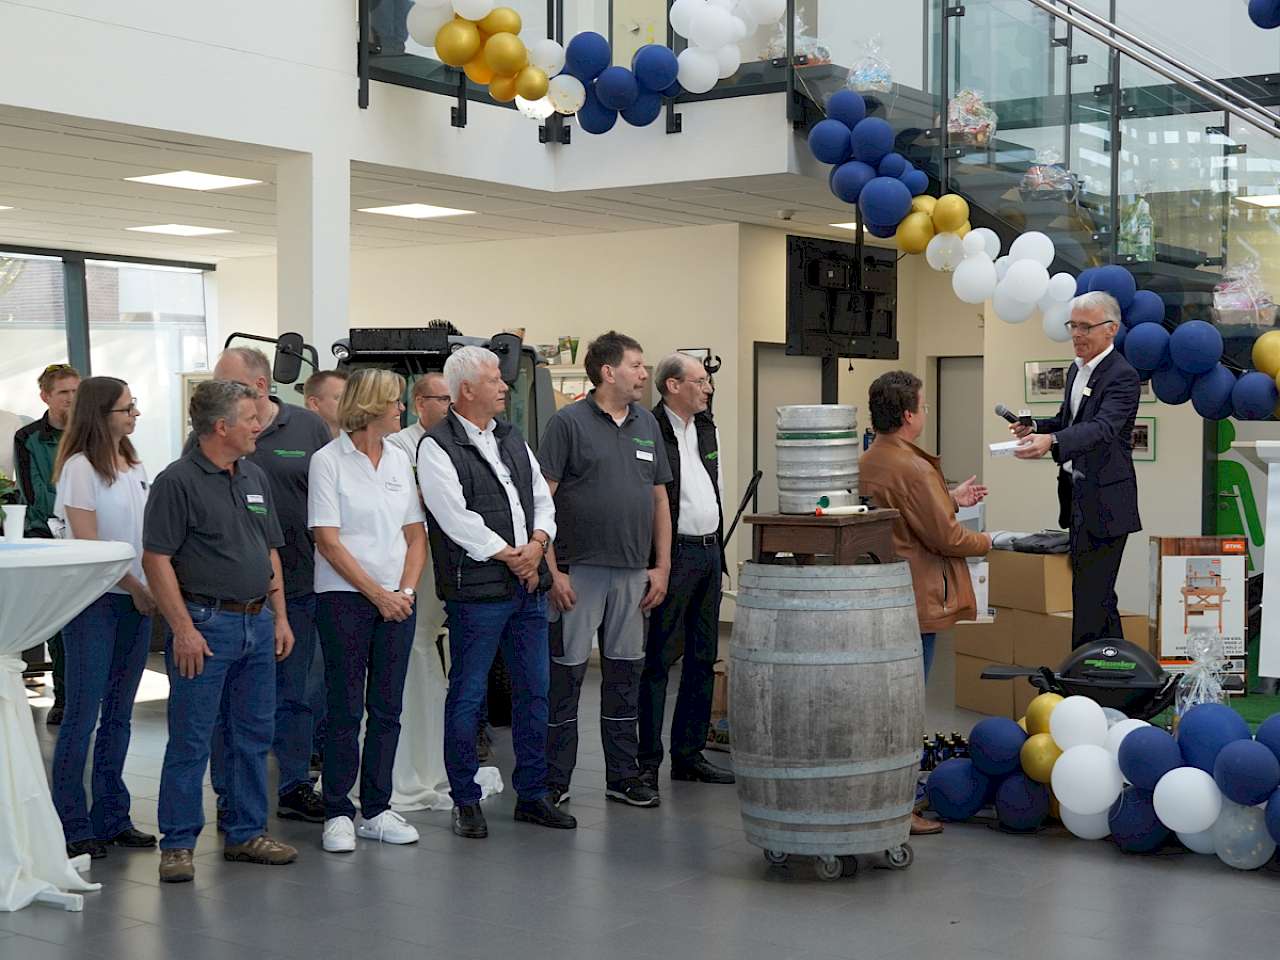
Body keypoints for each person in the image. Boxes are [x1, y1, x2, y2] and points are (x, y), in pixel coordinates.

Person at [143, 380, 298, 884]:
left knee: (252, 737)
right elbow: (156, 559)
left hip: (257, 622)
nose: (259, 426)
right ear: (221, 426)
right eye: (250, 419)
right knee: (191, 739)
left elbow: (269, 550)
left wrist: (279, 616)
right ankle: (178, 843)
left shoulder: (254, 474)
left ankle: (246, 832)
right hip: (206, 626)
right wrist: (182, 630)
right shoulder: (177, 482)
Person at [418, 347, 576, 839]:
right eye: (494, 380)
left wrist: (537, 545)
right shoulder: (436, 446)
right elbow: (455, 518)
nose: (504, 386)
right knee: (468, 695)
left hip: (527, 587)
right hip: (477, 592)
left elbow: (541, 499)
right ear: (466, 390)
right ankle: (465, 799)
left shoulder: (511, 436)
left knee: (535, 692)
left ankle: (533, 794)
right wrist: (513, 555)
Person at [539, 331, 672, 809]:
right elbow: (542, 502)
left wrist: (662, 567)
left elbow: (659, 500)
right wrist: (552, 572)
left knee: (624, 679)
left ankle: (623, 777)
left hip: (633, 573)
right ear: (608, 371)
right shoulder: (567, 424)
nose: (644, 374)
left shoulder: (646, 423)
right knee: (566, 679)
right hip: (578, 572)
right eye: (636, 365)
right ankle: (554, 780)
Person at [203, 347, 332, 825]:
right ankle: (230, 796)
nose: (219, 391)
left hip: (298, 584)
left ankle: (295, 785)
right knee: (232, 703)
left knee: (296, 693)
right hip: (233, 593)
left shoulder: (308, 427)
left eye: (230, 383)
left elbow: (328, 494)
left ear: (260, 386)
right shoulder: (212, 434)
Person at [859, 371, 991, 837]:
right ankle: (901, 805)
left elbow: (908, 515)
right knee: (905, 708)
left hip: (881, 595)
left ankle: (875, 797)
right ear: (908, 415)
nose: (926, 413)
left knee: (881, 704)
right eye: (923, 406)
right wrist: (992, 541)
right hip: (916, 600)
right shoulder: (914, 468)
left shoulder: (871, 459)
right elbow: (946, 537)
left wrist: (948, 498)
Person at [309, 368, 426, 853]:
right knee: (344, 707)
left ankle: (377, 809)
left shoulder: (399, 458)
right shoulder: (327, 461)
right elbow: (328, 541)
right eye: (395, 401)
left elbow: (415, 535)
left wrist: (405, 591)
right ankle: (338, 810)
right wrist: (379, 594)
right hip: (344, 598)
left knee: (387, 708)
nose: (402, 408)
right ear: (371, 406)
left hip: (399, 600)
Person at [49, 377, 157, 860]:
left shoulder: (133, 463)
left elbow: (143, 535)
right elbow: (90, 545)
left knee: (119, 713)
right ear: (101, 414)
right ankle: (71, 822)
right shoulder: (80, 468)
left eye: (134, 406)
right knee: (82, 715)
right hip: (96, 602)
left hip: (135, 600)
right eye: (126, 408)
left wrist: (151, 585)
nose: (135, 415)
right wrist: (136, 587)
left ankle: (112, 815)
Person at [1014, 291, 1141, 647]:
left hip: (1107, 502)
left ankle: (1082, 672)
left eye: (1086, 327)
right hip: (1077, 498)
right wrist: (1036, 427)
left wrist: (1052, 441)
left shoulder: (1122, 376)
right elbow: (1067, 421)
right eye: (1073, 325)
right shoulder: (1076, 369)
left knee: (1090, 597)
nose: (1077, 334)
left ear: (1111, 329)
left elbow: (1102, 428)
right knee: (1097, 595)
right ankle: (1114, 666)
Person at [638, 353, 734, 793]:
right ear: (673, 385)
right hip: (672, 555)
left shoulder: (707, 427)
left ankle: (689, 755)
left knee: (702, 657)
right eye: (699, 381)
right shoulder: (649, 428)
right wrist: (655, 562)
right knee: (658, 660)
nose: (708, 388)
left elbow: (713, 487)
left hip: (709, 553)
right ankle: (647, 761)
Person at [385, 371, 454, 809]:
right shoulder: (398, 446)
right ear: (418, 403)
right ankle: (408, 762)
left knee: (430, 651)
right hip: (410, 561)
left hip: (448, 562)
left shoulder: (459, 443)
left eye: (451, 398)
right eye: (441, 398)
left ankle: (435, 755)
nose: (448, 406)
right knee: (412, 649)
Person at [15, 362, 80, 724]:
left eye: (76, 391)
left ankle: (87, 697)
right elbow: (34, 493)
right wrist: (73, 513)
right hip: (47, 536)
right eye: (63, 392)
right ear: (45, 396)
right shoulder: (28, 438)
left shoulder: (92, 433)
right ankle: (65, 698)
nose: (71, 399)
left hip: (89, 535)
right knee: (58, 624)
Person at [304, 369, 348, 440]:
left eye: (352, 397)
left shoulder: (360, 443)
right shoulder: (296, 442)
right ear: (314, 404)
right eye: (340, 398)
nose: (350, 403)